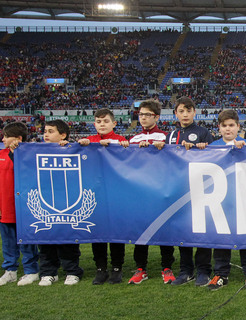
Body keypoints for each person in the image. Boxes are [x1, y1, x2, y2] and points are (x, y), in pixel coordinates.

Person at [207, 110, 246, 291]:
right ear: (219, 128)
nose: (228, 129)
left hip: (244, 198)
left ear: (238, 127)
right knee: (221, 236)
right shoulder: (212, 146)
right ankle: (221, 274)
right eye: (224, 125)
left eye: (231, 125)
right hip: (221, 199)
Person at [78, 109, 130, 285]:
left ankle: (117, 268)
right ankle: (100, 269)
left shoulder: (122, 141)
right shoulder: (88, 141)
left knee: (116, 232)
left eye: (105, 121)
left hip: (116, 193)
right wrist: (79, 146)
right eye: (98, 121)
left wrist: (122, 148)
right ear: (94, 124)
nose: (102, 124)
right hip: (94, 194)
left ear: (114, 124)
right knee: (97, 232)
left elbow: (128, 163)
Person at [166, 97, 214, 287]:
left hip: (200, 189)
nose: (185, 114)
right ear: (175, 114)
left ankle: (203, 270)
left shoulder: (203, 132)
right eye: (181, 111)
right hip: (179, 189)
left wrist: (204, 149)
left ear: (195, 112)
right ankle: (186, 271)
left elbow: (214, 158)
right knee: (182, 231)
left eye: (188, 110)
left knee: (202, 231)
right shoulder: (171, 135)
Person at [126, 100, 175, 285]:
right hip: (140, 192)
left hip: (162, 190)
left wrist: (162, 148)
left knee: (165, 229)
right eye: (141, 114)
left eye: (147, 114)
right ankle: (141, 268)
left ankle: (166, 267)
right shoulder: (133, 139)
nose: (143, 118)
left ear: (156, 117)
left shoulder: (166, 137)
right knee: (141, 230)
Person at [37, 120, 83, 286]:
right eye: (45, 131)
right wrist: (16, 152)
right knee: (46, 238)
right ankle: (48, 272)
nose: (46, 135)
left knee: (67, 238)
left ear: (63, 135)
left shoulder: (72, 150)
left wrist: (72, 146)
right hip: (46, 202)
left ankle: (72, 271)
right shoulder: (34, 152)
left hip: (69, 202)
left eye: (50, 131)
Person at [0, 122, 40, 286]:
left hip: (23, 207)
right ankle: (10, 270)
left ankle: (31, 271)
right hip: (4, 207)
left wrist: (17, 152)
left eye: (6, 136)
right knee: (8, 241)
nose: (3, 139)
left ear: (18, 138)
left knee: (26, 241)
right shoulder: (0, 154)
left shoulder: (29, 155)